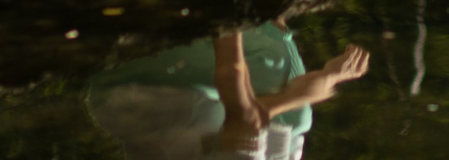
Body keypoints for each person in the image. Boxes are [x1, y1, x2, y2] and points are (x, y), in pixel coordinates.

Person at [84, 23, 370, 160]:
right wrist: (315, 87)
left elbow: (242, 114)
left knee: (276, 68)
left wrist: (230, 16)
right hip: (141, 103)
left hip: (137, 88)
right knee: (296, 121)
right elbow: (266, 115)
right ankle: (268, 14)